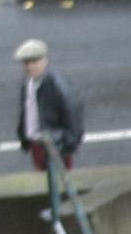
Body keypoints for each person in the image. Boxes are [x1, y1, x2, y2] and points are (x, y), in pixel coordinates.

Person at [13, 39, 83, 172]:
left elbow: (72, 113)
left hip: (54, 144)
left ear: (45, 61)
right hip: (37, 142)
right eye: (26, 63)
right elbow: (27, 111)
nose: (30, 67)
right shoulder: (28, 83)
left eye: (35, 62)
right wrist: (24, 137)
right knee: (42, 176)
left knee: (58, 179)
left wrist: (68, 143)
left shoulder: (57, 85)